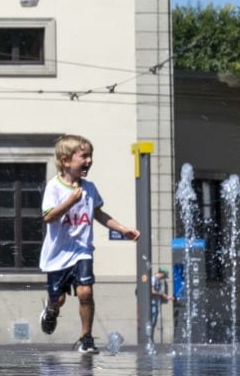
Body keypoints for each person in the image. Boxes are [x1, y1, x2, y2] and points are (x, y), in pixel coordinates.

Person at [38, 135, 140, 354]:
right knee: (59, 299)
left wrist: (123, 229)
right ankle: (50, 309)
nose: (89, 161)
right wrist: (70, 202)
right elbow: (48, 217)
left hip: (82, 251)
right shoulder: (54, 187)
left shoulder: (90, 188)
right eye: (84, 156)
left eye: (91, 156)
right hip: (57, 254)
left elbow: (99, 214)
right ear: (65, 161)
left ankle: (86, 338)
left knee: (85, 293)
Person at [149, 268, 172, 341]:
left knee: (154, 321)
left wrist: (166, 296)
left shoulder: (158, 280)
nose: (164, 278)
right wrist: (162, 294)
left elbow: (159, 291)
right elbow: (152, 291)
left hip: (155, 303)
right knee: (151, 321)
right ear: (162, 274)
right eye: (164, 276)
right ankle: (149, 338)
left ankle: (150, 338)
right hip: (152, 303)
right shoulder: (152, 279)